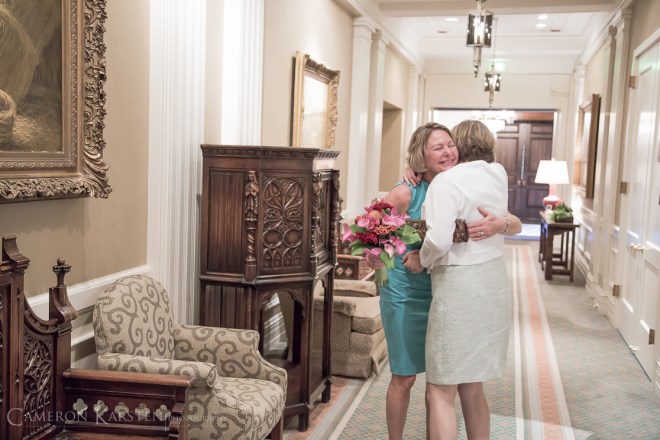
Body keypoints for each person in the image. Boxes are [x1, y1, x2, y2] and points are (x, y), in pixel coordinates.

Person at [372, 122, 520, 440]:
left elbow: (498, 219)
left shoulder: (457, 182)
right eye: (437, 148)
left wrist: (504, 223)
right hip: (404, 289)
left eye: (451, 145)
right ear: (421, 155)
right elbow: (370, 228)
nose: (448, 151)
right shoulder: (406, 190)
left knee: (441, 378)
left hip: (439, 287)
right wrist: (380, 261)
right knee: (406, 377)